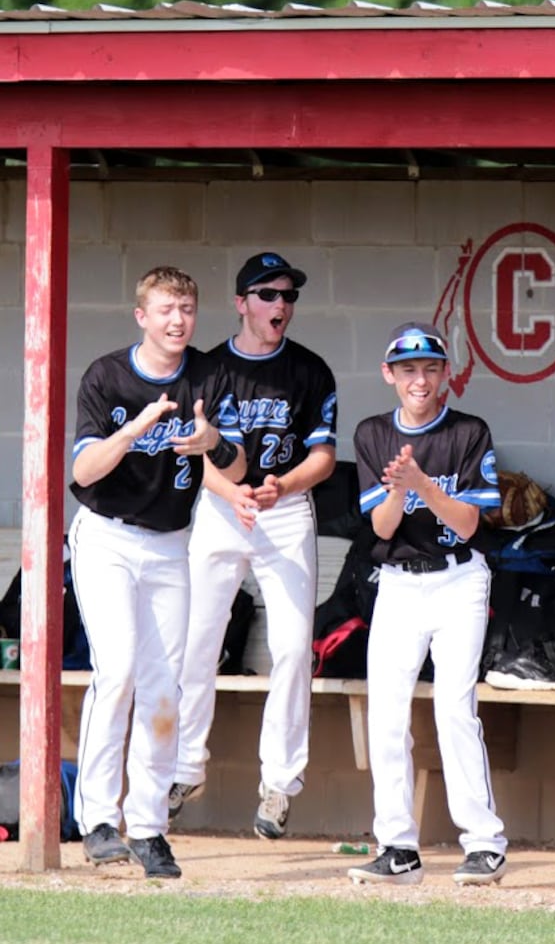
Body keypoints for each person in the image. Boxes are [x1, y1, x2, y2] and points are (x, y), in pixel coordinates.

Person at [69, 266, 247, 879]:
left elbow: (239, 462)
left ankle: (148, 828)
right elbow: (85, 472)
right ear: (142, 316)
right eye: (167, 309)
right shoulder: (107, 375)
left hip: (172, 543)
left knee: (165, 688)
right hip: (107, 537)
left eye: (187, 309)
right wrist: (136, 428)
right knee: (115, 671)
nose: (178, 320)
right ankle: (96, 818)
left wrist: (212, 443)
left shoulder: (209, 373)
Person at [171, 252, 338, 839]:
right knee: (197, 640)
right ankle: (184, 766)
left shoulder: (310, 369)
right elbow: (196, 455)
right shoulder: (210, 367)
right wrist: (231, 491)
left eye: (288, 295)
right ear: (241, 302)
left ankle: (278, 785)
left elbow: (323, 456)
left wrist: (282, 486)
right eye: (267, 295)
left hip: (285, 509)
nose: (280, 305)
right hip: (221, 507)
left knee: (292, 649)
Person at [346, 322, 507, 887]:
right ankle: (397, 846)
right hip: (398, 582)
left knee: (453, 710)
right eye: (408, 369)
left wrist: (422, 482)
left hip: (458, 581)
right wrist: (399, 486)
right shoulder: (371, 433)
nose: (420, 379)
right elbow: (382, 526)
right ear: (389, 375)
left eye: (431, 368)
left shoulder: (467, 431)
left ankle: (484, 842)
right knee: (386, 715)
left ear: (446, 376)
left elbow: (467, 525)